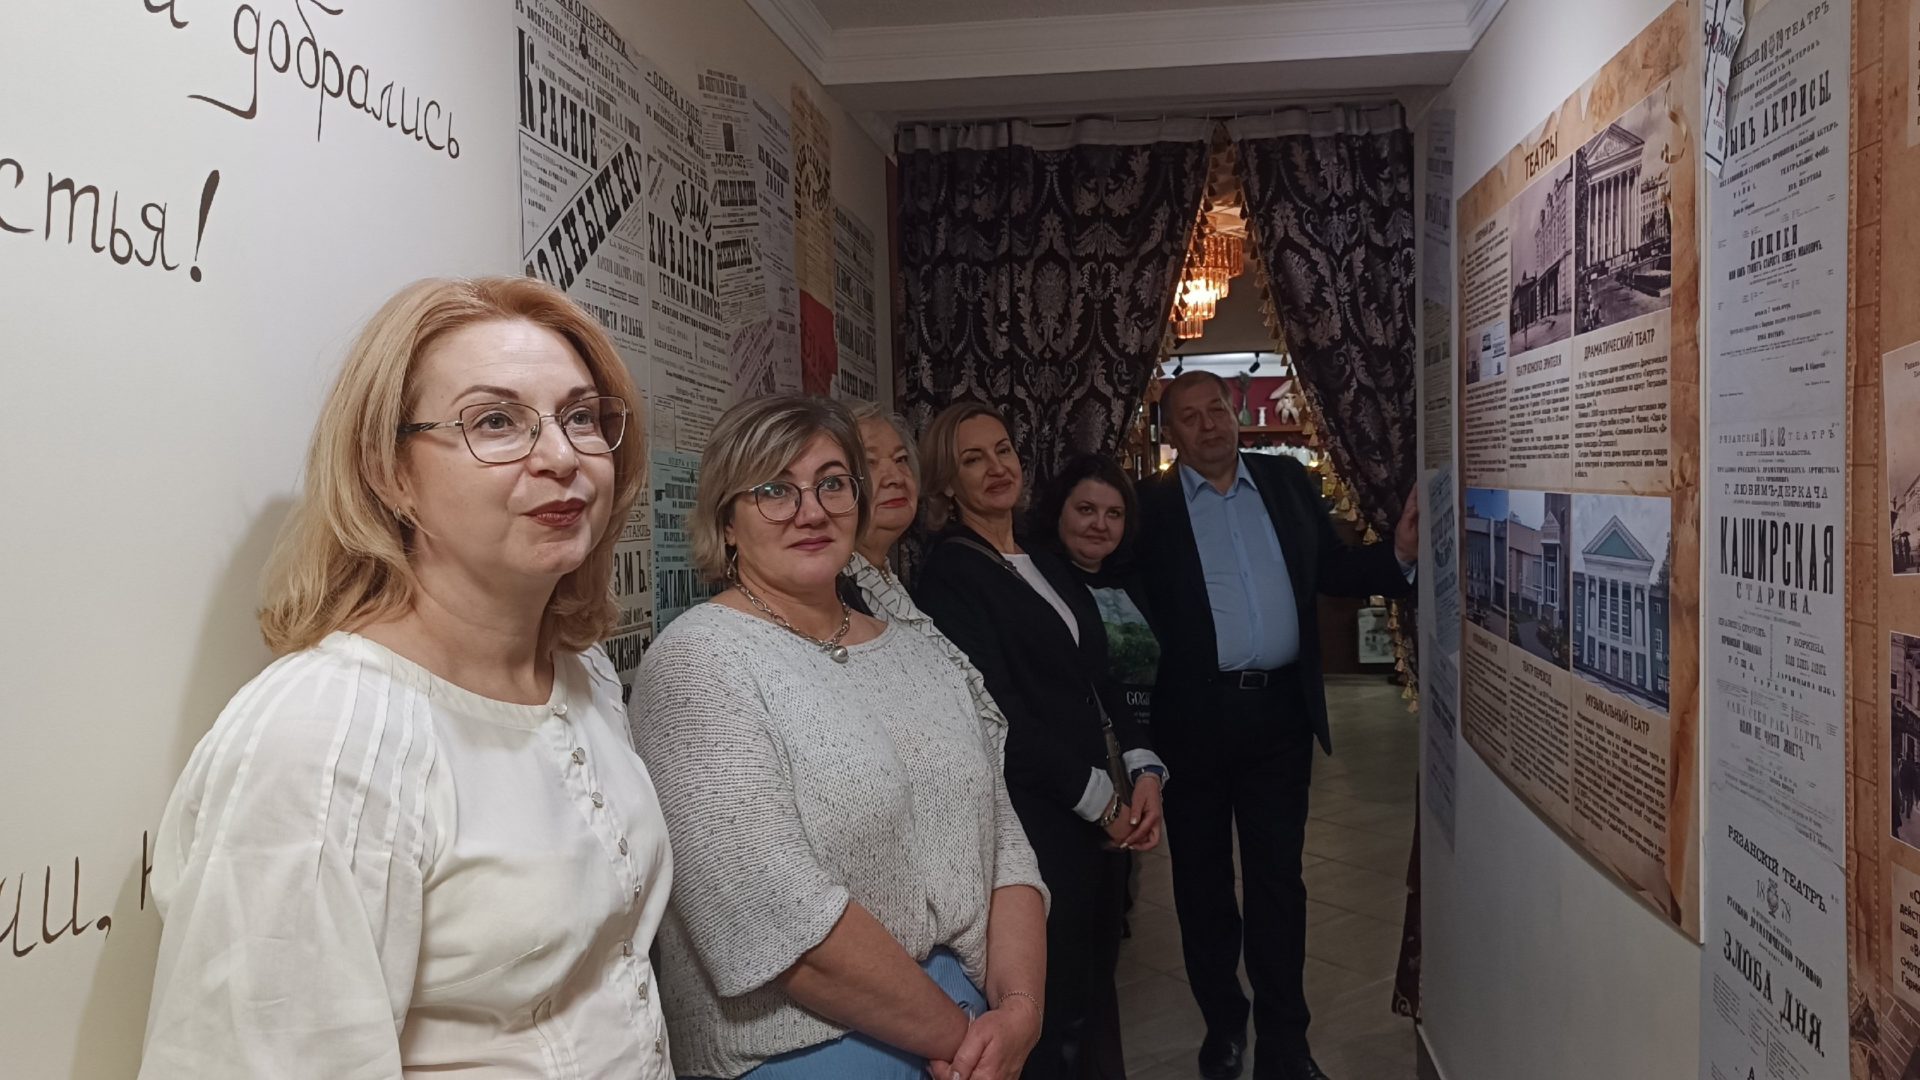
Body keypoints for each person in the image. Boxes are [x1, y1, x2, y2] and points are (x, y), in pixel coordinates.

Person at [139, 277, 674, 1078]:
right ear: (389, 472)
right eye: (495, 422)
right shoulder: (324, 740)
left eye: (581, 417)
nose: (562, 457)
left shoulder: (581, 671)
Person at [632, 394, 1049, 1080]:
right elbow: (779, 920)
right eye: (774, 490)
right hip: (807, 1051)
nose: (811, 510)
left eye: (832, 483)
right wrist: (964, 1041)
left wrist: (1023, 1011)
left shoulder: (919, 649)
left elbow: (1003, 845)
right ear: (727, 521)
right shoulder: (699, 662)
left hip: (976, 1026)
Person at [1138, 371, 1418, 1080]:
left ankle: (1286, 1044)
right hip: (1191, 723)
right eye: (1190, 417)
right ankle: (1223, 1024)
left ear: (1235, 413)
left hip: (1278, 720)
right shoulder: (1149, 509)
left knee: (1278, 883)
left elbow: (1333, 569)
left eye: (1217, 409)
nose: (1209, 425)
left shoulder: (1285, 483)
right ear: (1171, 435)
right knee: (1202, 887)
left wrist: (1401, 554)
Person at [914, 402, 1166, 1080]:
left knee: (1093, 986)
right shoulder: (948, 577)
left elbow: (1100, 677)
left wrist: (1144, 768)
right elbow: (998, 717)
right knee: (1053, 1014)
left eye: (1003, 450)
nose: (997, 467)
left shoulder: (1044, 561)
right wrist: (1099, 801)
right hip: (1040, 820)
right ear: (946, 482)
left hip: (1100, 813)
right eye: (972, 459)